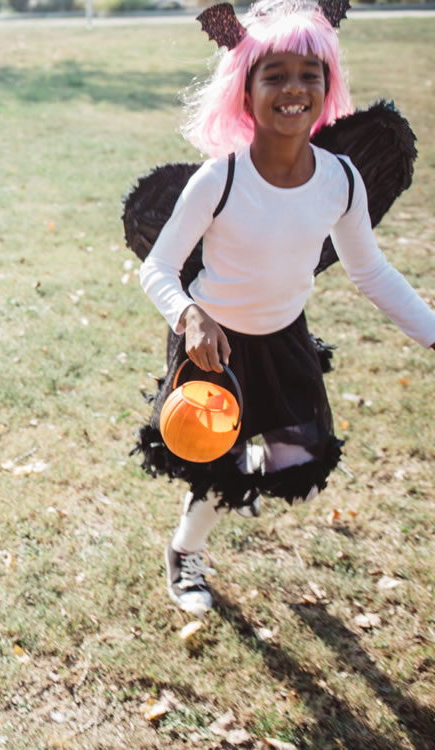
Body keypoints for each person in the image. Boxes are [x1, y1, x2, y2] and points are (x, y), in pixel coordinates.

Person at [132, 0, 435, 615]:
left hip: (285, 337)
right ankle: (185, 554)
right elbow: (157, 268)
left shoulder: (341, 179)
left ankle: (239, 467)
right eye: (274, 75)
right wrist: (190, 315)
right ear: (245, 91)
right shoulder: (220, 178)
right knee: (219, 473)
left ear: (329, 85)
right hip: (212, 346)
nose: (293, 88)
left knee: (298, 450)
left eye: (309, 73)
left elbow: (370, 270)